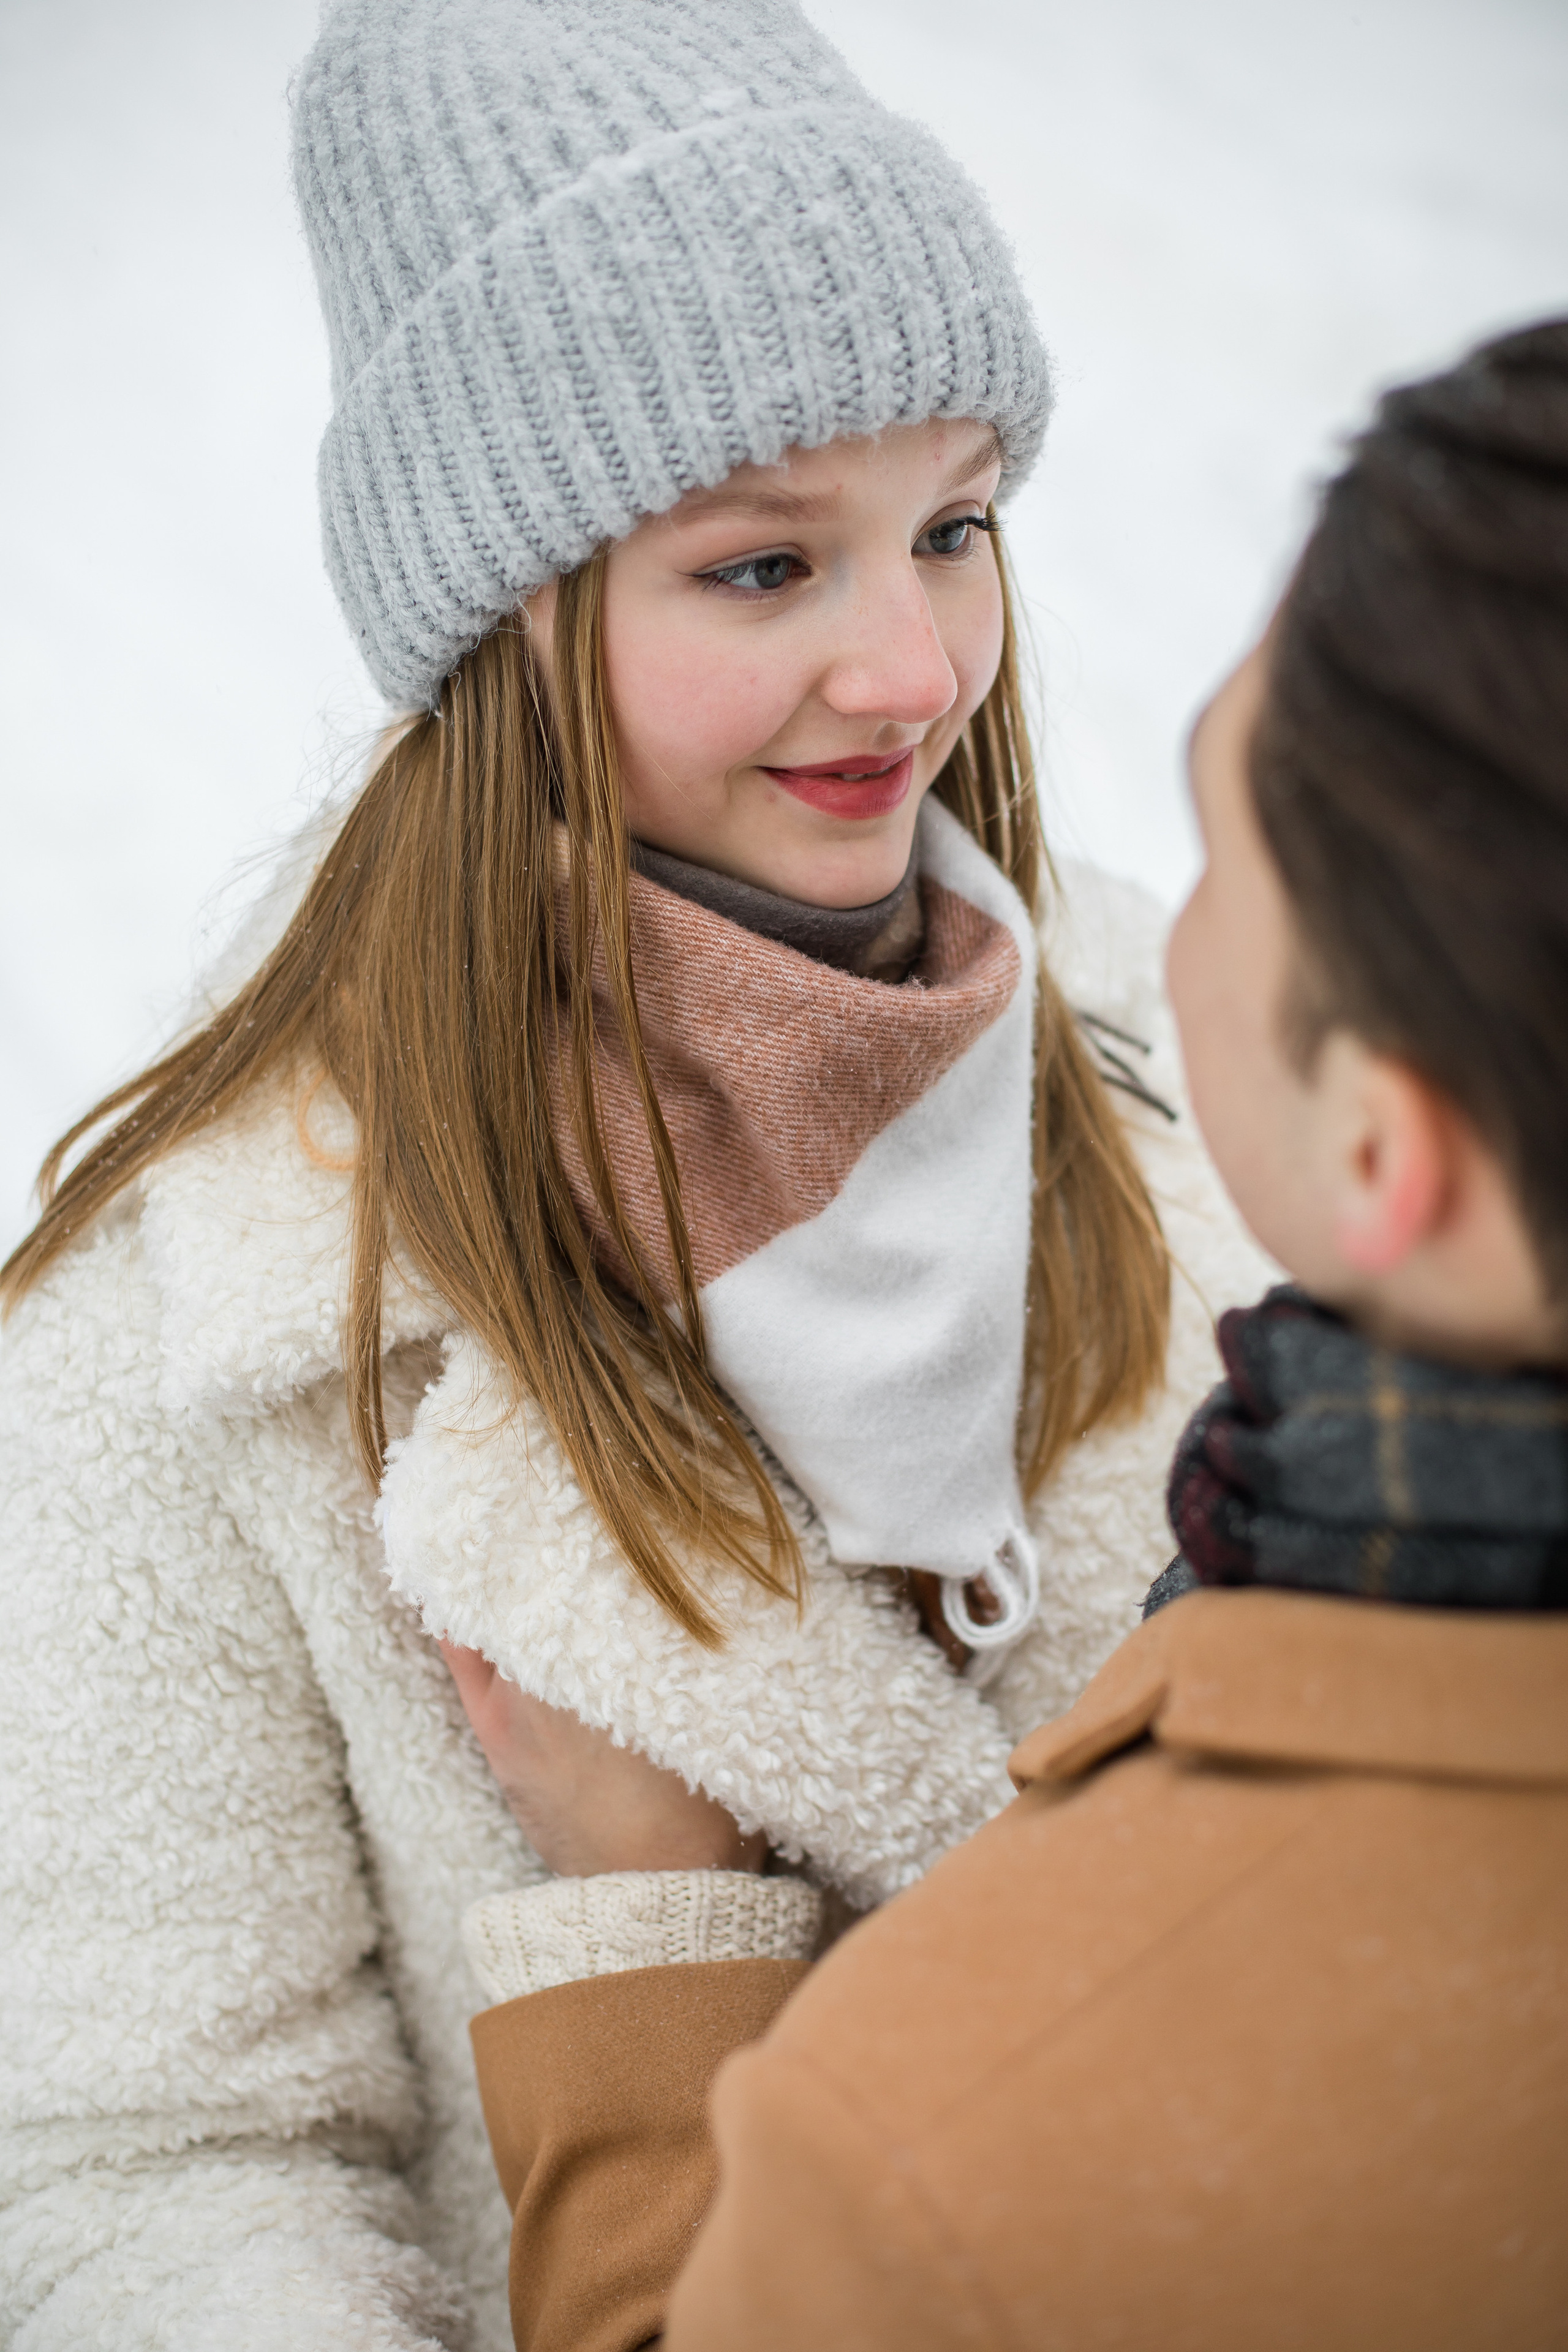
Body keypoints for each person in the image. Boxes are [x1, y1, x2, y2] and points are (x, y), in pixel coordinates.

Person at [0, 2, 1264, 2346]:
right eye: (764, 567)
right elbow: (152, 2180)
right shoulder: (187, 1335)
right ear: (506, 615)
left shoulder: (1178, 1039)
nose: (916, 667)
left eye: (954, 527)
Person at [449, 320, 1568, 2352]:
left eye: (1225, 859)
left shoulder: (939, 2158)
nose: (921, 682)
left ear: (1382, 1151)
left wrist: (641, 1945)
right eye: (763, 561)